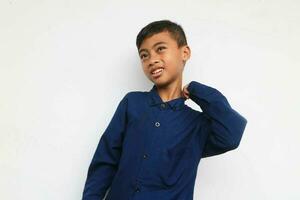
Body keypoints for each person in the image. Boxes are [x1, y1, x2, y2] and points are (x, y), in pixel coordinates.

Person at [82, 19, 247, 200]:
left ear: (184, 52)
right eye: (144, 55)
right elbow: (105, 160)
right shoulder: (133, 103)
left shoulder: (197, 124)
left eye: (160, 49)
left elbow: (232, 133)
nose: (151, 60)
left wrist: (196, 90)